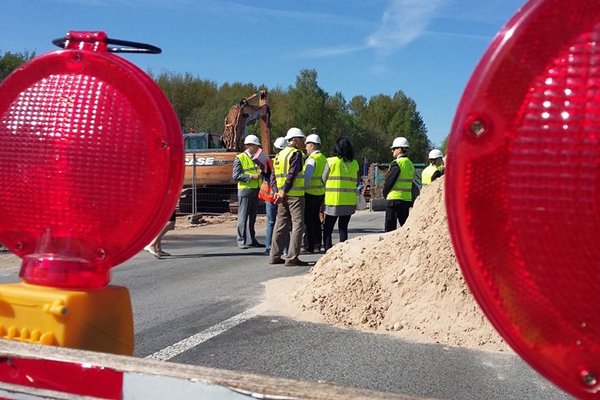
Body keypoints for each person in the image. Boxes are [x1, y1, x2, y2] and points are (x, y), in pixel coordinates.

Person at [269, 127, 309, 266]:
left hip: (281, 195)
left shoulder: (280, 155)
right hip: (294, 195)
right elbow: (292, 174)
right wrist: (284, 191)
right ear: (296, 140)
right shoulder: (296, 154)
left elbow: (273, 175)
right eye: (302, 140)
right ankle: (292, 258)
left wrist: (277, 192)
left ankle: (274, 256)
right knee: (298, 224)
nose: (303, 143)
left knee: (281, 224)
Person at [322, 137, 360, 253]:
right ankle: (343, 252)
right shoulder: (355, 164)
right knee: (343, 228)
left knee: (328, 229)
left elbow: (323, 179)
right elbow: (357, 181)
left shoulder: (330, 161)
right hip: (348, 201)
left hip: (333, 201)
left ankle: (328, 252)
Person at [233, 134, 263, 249]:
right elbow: (236, 176)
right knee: (243, 217)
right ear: (249, 146)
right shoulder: (240, 158)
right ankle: (241, 240)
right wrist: (251, 177)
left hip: (255, 190)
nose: (257, 148)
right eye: (255, 146)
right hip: (245, 190)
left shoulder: (256, 157)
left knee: (252, 217)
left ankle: (251, 239)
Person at [259, 136, 288, 255]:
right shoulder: (288, 159)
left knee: (272, 222)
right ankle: (284, 249)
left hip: (274, 195)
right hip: (281, 195)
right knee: (284, 222)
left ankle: (270, 248)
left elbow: (271, 177)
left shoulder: (273, 160)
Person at [383, 136, 415, 232]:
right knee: (404, 228)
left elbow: (389, 182)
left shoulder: (397, 163)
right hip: (405, 200)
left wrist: (385, 193)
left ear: (400, 149)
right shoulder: (410, 164)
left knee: (390, 229)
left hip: (394, 200)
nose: (392, 151)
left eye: (394, 148)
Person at [302, 133, 326, 253]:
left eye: (307, 145)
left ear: (312, 145)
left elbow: (307, 177)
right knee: (316, 219)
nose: (305, 148)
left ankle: (308, 245)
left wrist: (302, 189)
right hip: (320, 192)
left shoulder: (312, 160)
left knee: (308, 221)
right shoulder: (323, 158)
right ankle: (317, 243)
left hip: (310, 192)